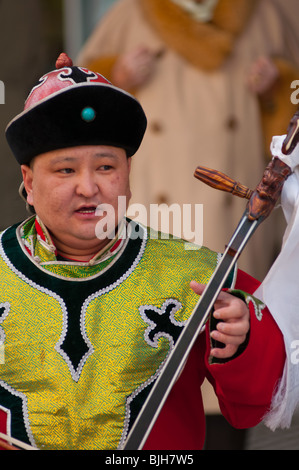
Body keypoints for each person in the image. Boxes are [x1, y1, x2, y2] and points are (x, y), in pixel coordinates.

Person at [0, 53, 286, 450]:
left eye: (105, 168)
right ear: (29, 182)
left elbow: (253, 408)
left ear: (128, 174)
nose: (88, 187)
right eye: (66, 170)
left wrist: (244, 339)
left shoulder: (197, 272)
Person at [76, 0, 299, 282]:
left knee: (231, 308)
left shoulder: (264, 15)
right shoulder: (132, 14)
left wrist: (277, 87)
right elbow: (79, 103)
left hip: (236, 210)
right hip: (154, 209)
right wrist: (117, 76)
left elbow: (293, 119)